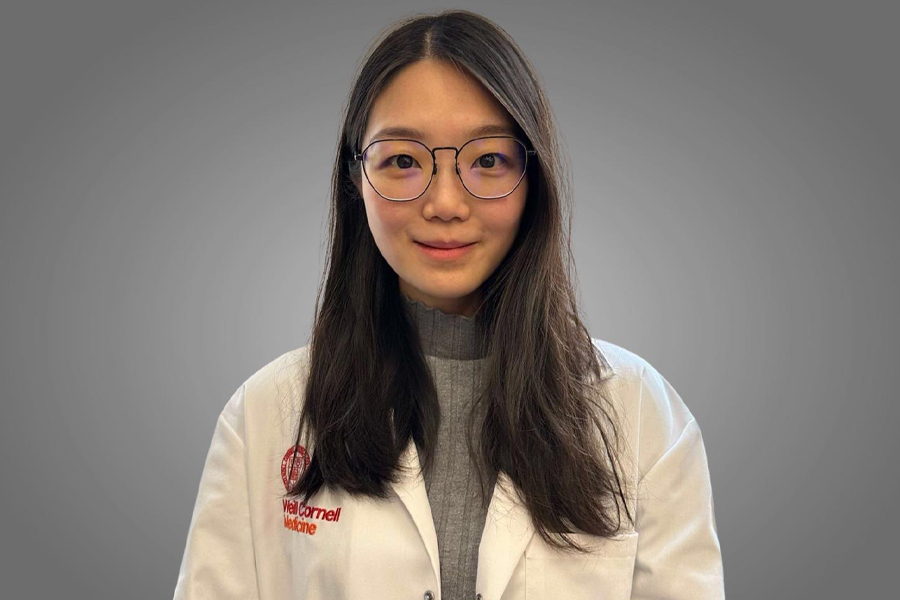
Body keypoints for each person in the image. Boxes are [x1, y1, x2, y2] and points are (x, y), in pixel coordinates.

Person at [173, 9, 725, 600]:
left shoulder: (643, 415)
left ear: (531, 179)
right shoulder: (265, 414)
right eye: (403, 160)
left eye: (487, 160)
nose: (444, 202)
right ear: (354, 179)